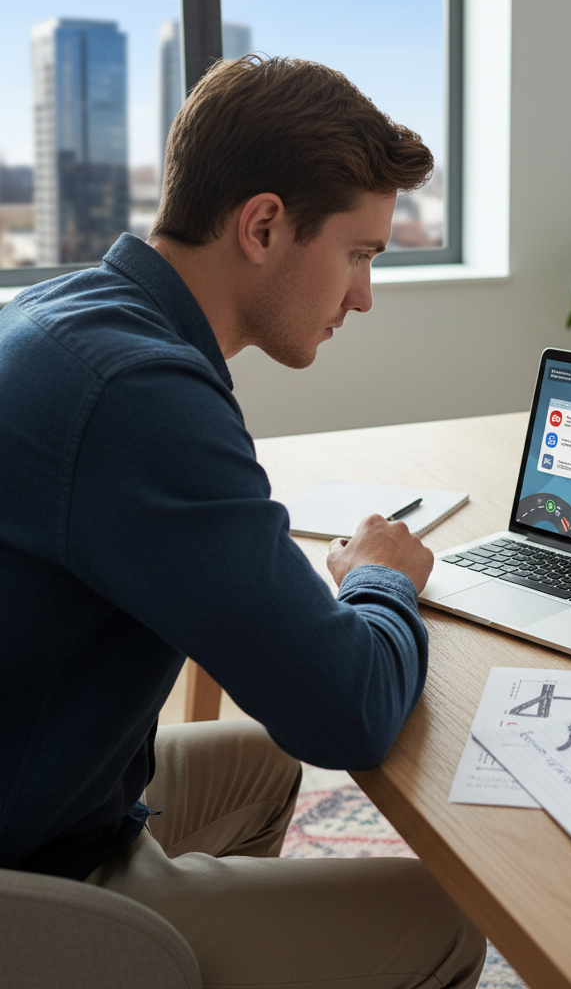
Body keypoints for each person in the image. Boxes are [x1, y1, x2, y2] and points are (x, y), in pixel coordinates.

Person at [0, 55, 486, 988]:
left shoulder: (74, 313)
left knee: (265, 771)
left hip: (48, 787)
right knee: (443, 923)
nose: (363, 296)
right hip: (31, 878)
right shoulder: (136, 392)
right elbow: (345, 713)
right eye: (359, 255)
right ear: (263, 226)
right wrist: (381, 580)